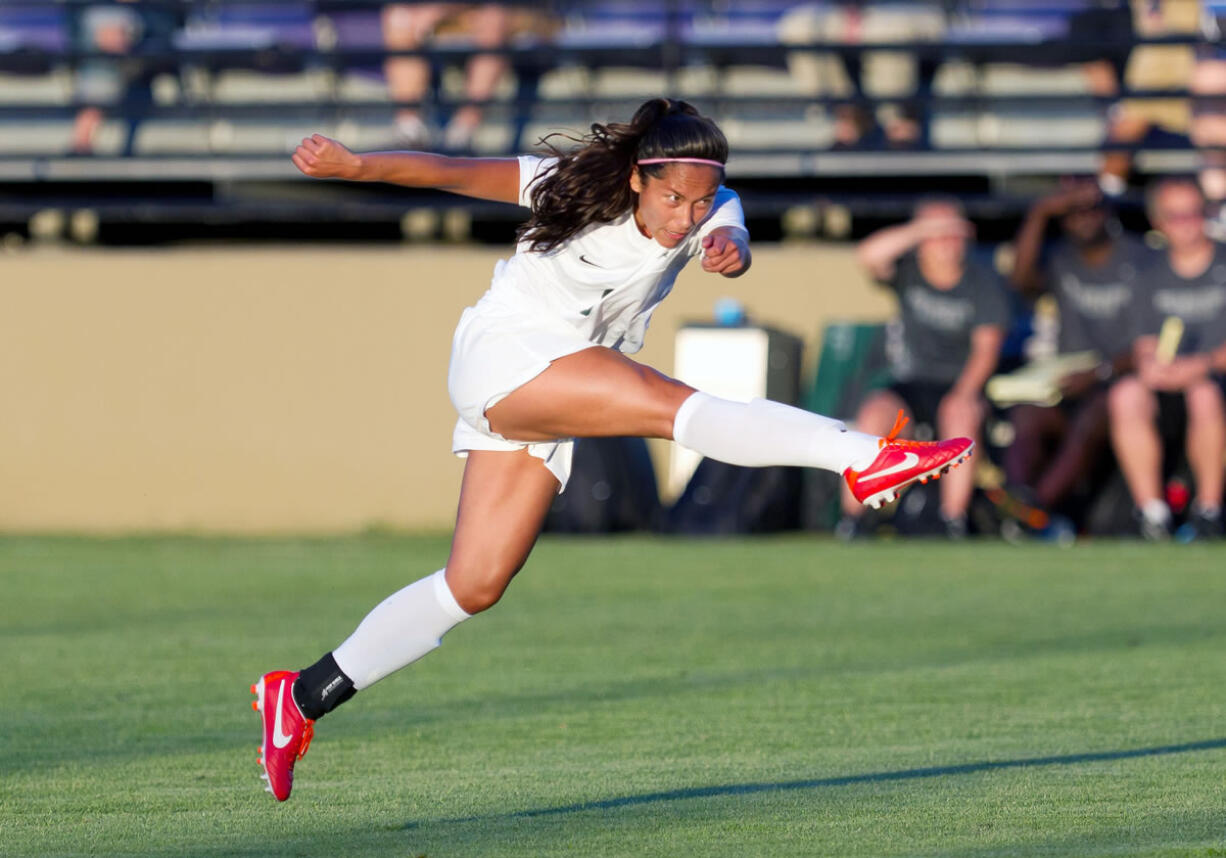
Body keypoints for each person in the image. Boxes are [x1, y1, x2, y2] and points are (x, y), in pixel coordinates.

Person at [252, 98, 975, 801]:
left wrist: (730, 248)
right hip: (507, 354)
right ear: (638, 177)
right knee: (671, 407)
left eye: (702, 201)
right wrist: (354, 165)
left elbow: (735, 241)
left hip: (557, 383)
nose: (686, 217)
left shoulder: (714, 207)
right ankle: (861, 454)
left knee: (472, 586)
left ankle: (302, 696)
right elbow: (450, 169)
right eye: (673, 199)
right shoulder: (565, 184)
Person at [836, 197, 1008, 540]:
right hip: (912, 383)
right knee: (873, 416)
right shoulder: (909, 271)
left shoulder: (984, 282)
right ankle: (853, 519)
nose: (945, 242)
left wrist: (964, 393)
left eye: (952, 232)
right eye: (936, 234)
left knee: (959, 415)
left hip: (960, 384)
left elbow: (986, 350)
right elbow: (868, 255)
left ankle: (951, 519)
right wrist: (926, 227)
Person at [1002, 178, 1146, 520]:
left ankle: (1033, 510)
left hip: (1124, 382)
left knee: (1097, 410)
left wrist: (1100, 372)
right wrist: (1039, 213)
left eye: (1091, 210)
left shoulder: (1141, 258)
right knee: (1027, 414)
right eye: (1071, 212)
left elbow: (1155, 342)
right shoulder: (1062, 259)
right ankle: (1015, 502)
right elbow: (1020, 282)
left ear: (1108, 211)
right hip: (1069, 383)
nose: (1083, 219)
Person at [1108, 177, 1226, 540]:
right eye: (1176, 216)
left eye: (1194, 213)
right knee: (1126, 394)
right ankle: (1152, 514)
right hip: (1169, 381)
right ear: (1159, 222)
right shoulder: (1147, 274)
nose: (1188, 223)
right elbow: (1144, 343)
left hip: (1214, 381)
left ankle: (1209, 510)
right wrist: (1154, 367)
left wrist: (1201, 366)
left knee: (1204, 394)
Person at [381, 3, 512, 151]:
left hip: (486, 12)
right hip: (431, 12)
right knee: (399, 18)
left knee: (494, 22)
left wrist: (441, 10)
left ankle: (463, 134)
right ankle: (409, 131)